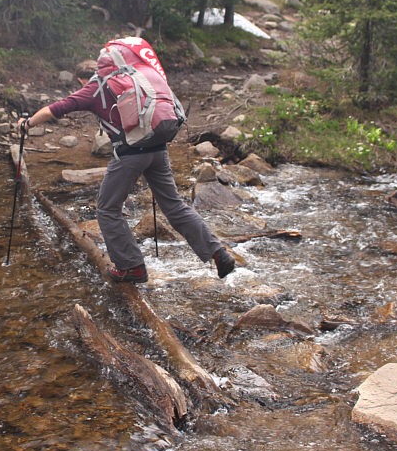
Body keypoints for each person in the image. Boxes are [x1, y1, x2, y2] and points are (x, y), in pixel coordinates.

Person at [18, 41, 236, 283]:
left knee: (107, 209)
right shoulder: (136, 78)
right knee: (175, 207)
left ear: (87, 76)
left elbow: (55, 109)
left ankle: (131, 267)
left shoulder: (95, 87)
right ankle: (218, 253)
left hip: (131, 153)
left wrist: (26, 124)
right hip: (159, 148)